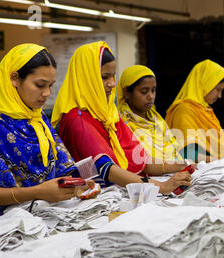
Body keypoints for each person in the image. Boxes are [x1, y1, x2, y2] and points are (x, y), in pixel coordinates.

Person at [0, 44, 95, 218]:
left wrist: (77, 185)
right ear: (14, 78)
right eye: (40, 85)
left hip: (47, 217)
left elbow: (62, 170)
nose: (47, 93)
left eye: (51, 86)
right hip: (2, 227)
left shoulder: (37, 119)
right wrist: (37, 192)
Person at [50, 41, 191, 195]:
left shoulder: (108, 114)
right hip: (99, 198)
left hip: (119, 191)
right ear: (86, 77)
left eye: (113, 76)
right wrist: (160, 186)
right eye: (104, 77)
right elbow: (108, 170)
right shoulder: (77, 119)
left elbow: (139, 160)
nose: (112, 83)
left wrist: (182, 166)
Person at [165, 59, 224, 162]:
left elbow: (209, 149)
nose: (220, 96)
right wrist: (221, 161)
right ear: (204, 83)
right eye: (217, 89)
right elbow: (187, 153)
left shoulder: (204, 109)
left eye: (222, 90)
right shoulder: (184, 110)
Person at [116, 65, 183, 164]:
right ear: (127, 92)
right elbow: (137, 163)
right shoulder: (121, 125)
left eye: (153, 90)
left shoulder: (158, 121)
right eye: (144, 91)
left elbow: (176, 154)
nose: (151, 96)